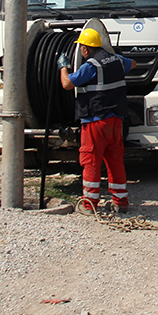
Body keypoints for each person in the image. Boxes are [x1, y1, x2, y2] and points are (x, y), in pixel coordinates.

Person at [59, 28, 136, 214]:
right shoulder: (117, 60)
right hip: (115, 120)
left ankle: (89, 204)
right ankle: (121, 202)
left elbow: (67, 84)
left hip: (96, 121)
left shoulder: (91, 66)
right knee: (115, 160)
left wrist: (63, 67)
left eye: (81, 48)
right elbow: (132, 64)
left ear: (85, 49)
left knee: (91, 161)